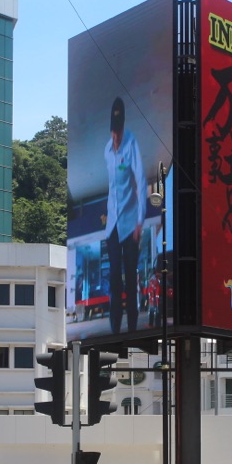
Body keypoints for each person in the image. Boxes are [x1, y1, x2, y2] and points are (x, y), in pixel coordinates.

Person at [102, 96, 146, 335]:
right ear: (110, 131)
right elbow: (111, 188)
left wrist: (140, 220)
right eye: (114, 133)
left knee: (130, 278)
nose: (117, 138)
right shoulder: (107, 152)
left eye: (119, 132)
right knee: (114, 281)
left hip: (130, 224)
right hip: (113, 225)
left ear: (123, 128)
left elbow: (139, 179)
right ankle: (115, 330)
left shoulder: (131, 144)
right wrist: (107, 220)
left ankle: (132, 329)